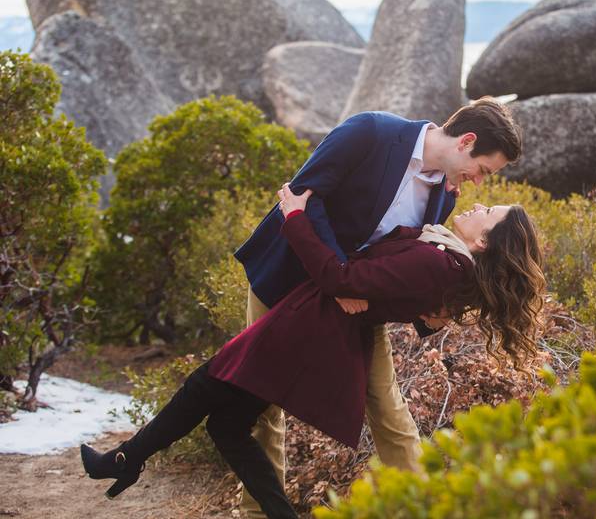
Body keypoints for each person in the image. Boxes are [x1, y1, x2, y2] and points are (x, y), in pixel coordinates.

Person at [81, 186, 545, 519]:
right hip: (312, 329)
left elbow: (342, 279)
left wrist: (296, 218)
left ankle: (124, 460)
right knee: (227, 424)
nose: (480, 204)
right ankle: (127, 462)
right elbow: (407, 298)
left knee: (204, 388)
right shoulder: (447, 264)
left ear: (484, 241)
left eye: (490, 211)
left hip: (308, 331)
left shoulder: (439, 262)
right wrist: (422, 315)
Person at [233, 97, 522, 517]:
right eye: (484, 169)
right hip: (286, 280)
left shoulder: (444, 197)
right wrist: (339, 277)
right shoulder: (370, 132)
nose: (478, 182)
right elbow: (303, 197)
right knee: (261, 403)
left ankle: (422, 508)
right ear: (467, 141)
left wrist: (432, 314)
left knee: (386, 405)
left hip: (359, 305)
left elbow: (407, 269)